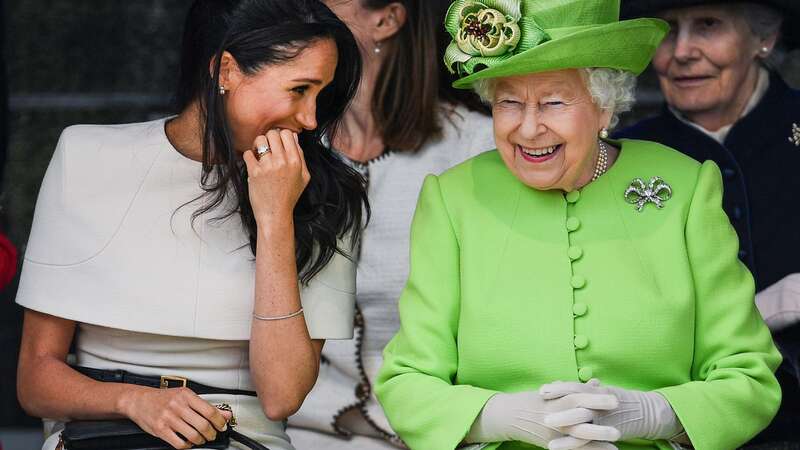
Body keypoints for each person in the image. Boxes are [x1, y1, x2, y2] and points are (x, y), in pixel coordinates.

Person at [375, 0, 782, 449]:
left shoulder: (686, 186)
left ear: (605, 109)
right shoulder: (453, 198)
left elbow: (749, 374)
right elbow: (407, 381)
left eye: (553, 102)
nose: (529, 129)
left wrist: (657, 416)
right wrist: (499, 417)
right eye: (509, 102)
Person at [15, 1, 367, 449]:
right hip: (102, 431)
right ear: (226, 71)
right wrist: (134, 401)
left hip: (240, 436)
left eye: (321, 94)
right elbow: (35, 381)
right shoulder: (87, 158)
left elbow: (281, 396)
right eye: (299, 90)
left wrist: (276, 217)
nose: (311, 119)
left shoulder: (326, 192)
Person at [286, 1, 494, 448]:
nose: (298, 9)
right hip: (299, 429)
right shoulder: (290, 141)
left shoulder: (477, 147)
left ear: (386, 19)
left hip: (438, 429)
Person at [616, 0, 800, 442]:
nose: (681, 51)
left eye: (708, 25)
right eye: (668, 30)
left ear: (764, 38)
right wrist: (768, 308)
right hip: (679, 418)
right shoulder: (621, 154)